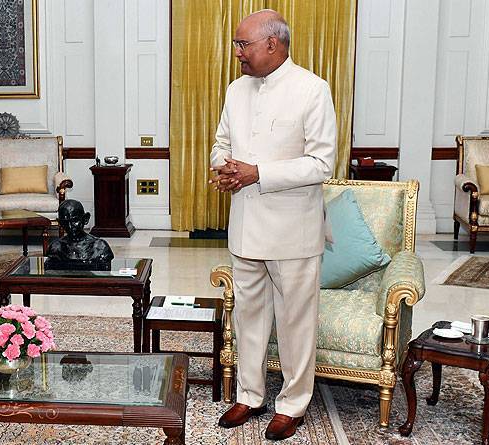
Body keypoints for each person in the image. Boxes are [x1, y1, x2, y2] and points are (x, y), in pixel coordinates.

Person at [209, 10, 337, 441]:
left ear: (272, 44)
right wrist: (225, 166)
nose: (237, 52)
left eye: (242, 44)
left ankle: (292, 404)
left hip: (292, 232)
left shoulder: (312, 89)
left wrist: (258, 172)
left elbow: (321, 163)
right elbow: (221, 144)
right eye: (236, 44)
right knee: (248, 318)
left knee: (296, 323)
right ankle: (249, 395)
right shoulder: (235, 90)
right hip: (245, 227)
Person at [45, 199, 114, 269]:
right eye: (65, 222)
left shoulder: (99, 246)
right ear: (60, 223)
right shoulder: (56, 247)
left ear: (85, 219)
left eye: (74, 221)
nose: (70, 226)